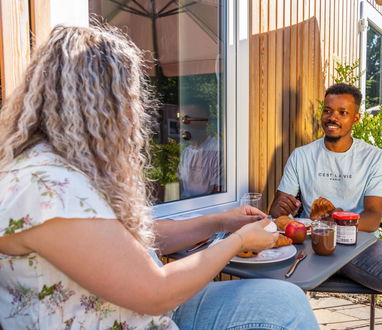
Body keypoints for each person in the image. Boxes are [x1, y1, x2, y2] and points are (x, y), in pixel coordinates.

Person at [0, 25, 319, 329]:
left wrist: (220, 221)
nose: (134, 112)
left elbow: (133, 239)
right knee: (286, 312)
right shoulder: (47, 188)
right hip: (143, 312)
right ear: (98, 104)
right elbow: (156, 292)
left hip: (138, 309)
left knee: (285, 300)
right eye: (128, 97)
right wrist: (237, 242)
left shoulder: (59, 169)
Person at [269, 83, 382, 330]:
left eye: (342, 112)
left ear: (355, 118)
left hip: (358, 246)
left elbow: (371, 220)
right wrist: (282, 208)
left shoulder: (373, 157)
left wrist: (329, 219)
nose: (332, 117)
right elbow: (276, 214)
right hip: (309, 246)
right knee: (271, 287)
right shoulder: (301, 156)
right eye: (328, 110)